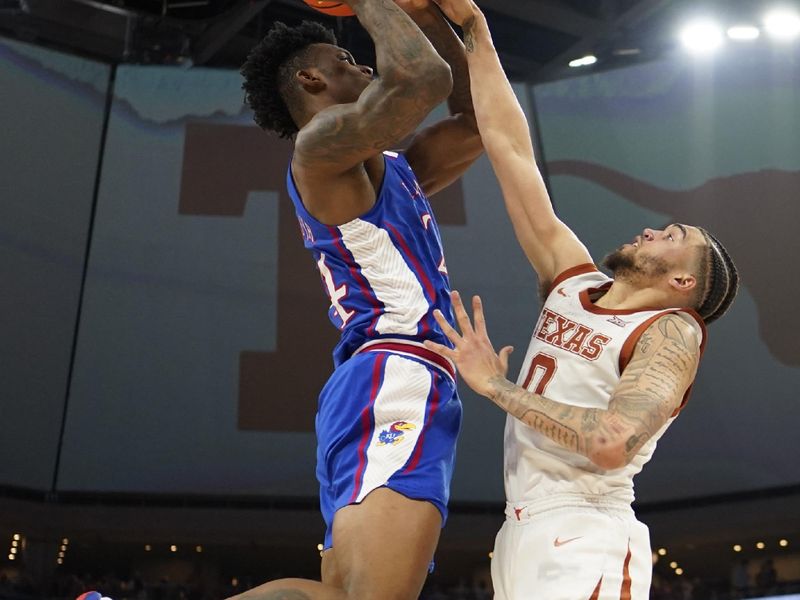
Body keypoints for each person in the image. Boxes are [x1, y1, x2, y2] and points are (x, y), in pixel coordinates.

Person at [423, 0, 739, 598]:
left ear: (683, 284)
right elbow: (511, 150)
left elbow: (613, 440)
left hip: (586, 527)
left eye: (674, 239)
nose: (653, 230)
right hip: (521, 527)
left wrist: (497, 387)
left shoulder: (673, 329)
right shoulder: (574, 283)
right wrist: (475, 32)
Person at [233, 0, 482, 598]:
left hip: (379, 381)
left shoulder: (392, 166)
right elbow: (422, 80)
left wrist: (436, 19)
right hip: (395, 373)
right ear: (310, 80)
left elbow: (480, 120)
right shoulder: (318, 148)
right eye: (346, 59)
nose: (366, 65)